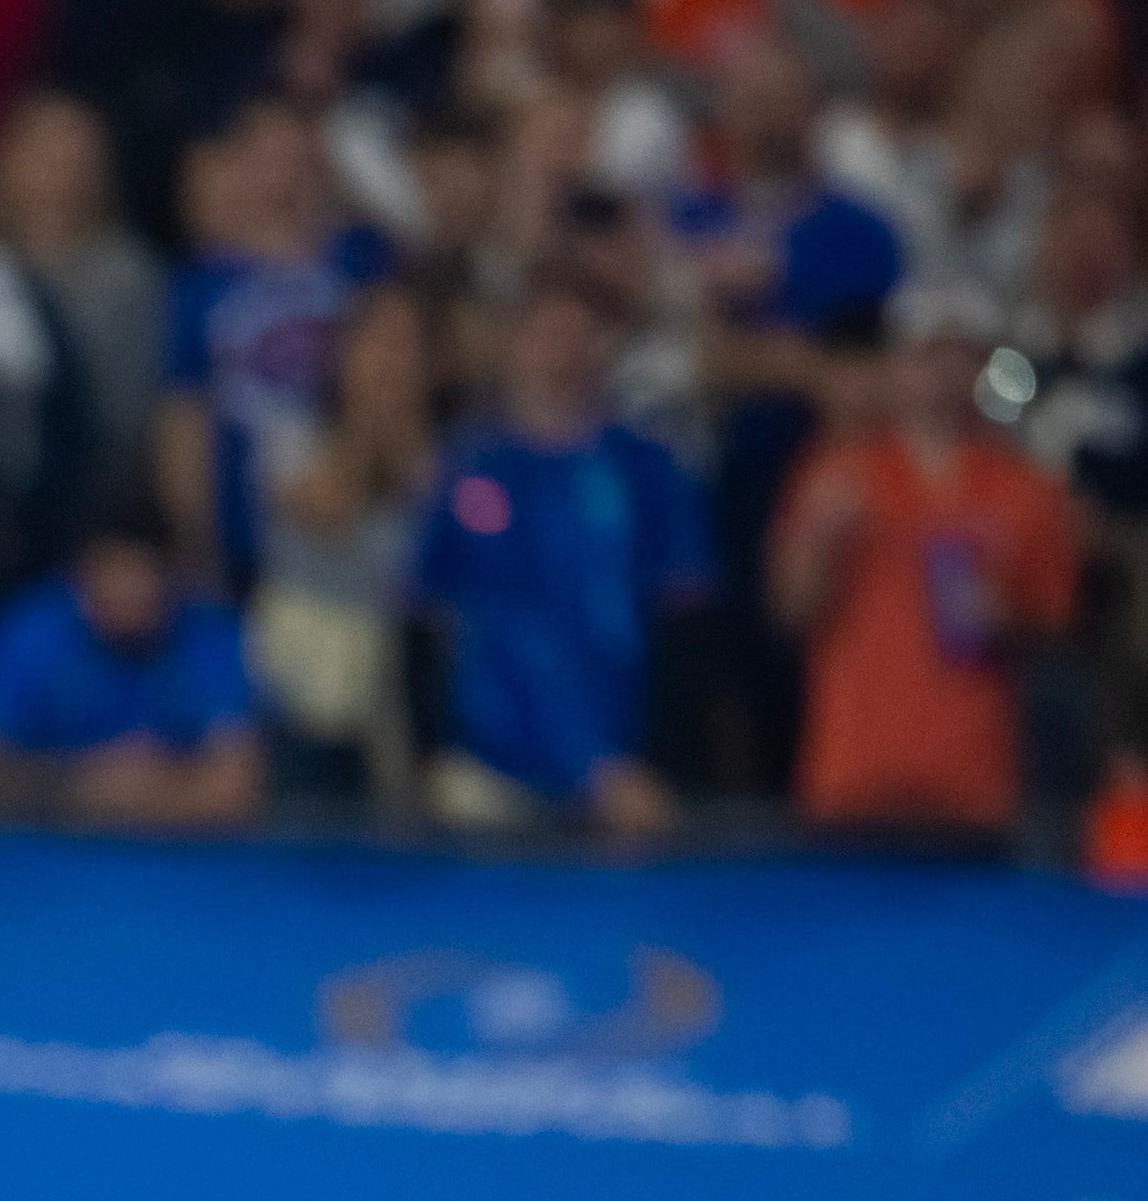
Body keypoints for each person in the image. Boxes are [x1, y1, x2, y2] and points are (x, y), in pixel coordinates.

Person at [415, 277, 710, 836]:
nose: (563, 354)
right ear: (515, 344)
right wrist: (433, 751)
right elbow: (429, 617)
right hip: (487, 769)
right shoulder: (472, 467)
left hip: (622, 770)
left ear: (608, 348)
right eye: (547, 336)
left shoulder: (647, 470)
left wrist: (657, 765)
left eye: (581, 337)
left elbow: (682, 623)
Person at [777, 289, 1076, 839]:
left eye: (959, 354)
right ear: (895, 364)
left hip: (973, 784)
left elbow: (1058, 628)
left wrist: (1005, 619)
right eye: (926, 354)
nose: (941, 372)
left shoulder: (1024, 487)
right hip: (851, 778)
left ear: (983, 367)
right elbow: (790, 612)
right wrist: (823, 548)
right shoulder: (836, 472)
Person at [0, 506, 269, 825]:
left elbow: (238, 789)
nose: (125, 590)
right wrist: (80, 783)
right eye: (110, 572)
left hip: (179, 867)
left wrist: (147, 794)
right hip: (43, 862)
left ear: (173, 580)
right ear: (77, 576)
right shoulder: (32, 631)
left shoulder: (208, 637)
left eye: (140, 573)